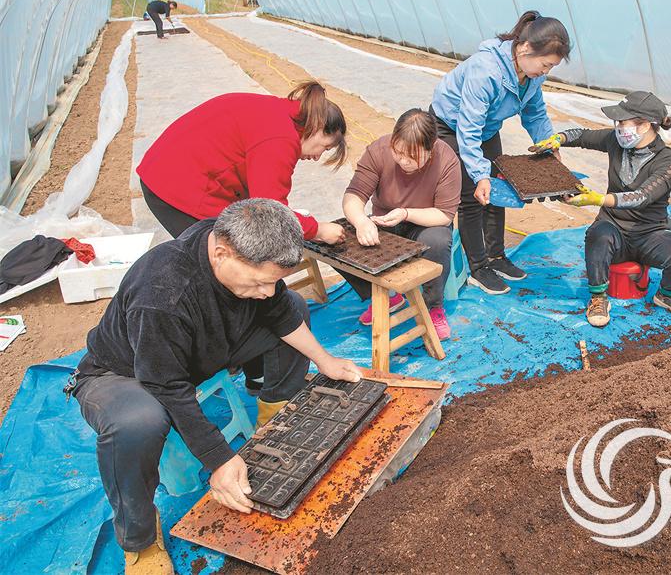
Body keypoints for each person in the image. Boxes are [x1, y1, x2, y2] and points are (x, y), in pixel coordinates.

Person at [66, 199, 363, 574]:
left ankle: (275, 421)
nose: (266, 291)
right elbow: (165, 385)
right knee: (137, 423)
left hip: (200, 349)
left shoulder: (234, 240)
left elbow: (280, 311)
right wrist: (219, 459)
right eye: (259, 282)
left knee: (294, 306)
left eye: (272, 280)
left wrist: (324, 360)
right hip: (126, 372)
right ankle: (139, 541)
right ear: (221, 254)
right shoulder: (161, 294)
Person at [430, 10, 572, 295]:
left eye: (551, 67)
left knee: (499, 188)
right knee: (473, 195)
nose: (545, 72)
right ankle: (478, 267)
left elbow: (535, 113)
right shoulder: (486, 70)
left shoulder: (531, 76)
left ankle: (496, 257)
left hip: (487, 127)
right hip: (451, 125)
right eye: (545, 64)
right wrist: (479, 174)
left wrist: (550, 147)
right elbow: (468, 128)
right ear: (525, 48)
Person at [533, 91, 671, 328]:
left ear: (645, 125)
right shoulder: (615, 141)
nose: (618, 127)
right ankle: (598, 298)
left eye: (623, 122)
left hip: (650, 234)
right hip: (614, 228)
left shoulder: (669, 161)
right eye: (617, 122)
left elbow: (642, 196)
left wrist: (598, 199)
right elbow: (582, 135)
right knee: (598, 234)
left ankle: (667, 294)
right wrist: (559, 138)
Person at [137, 81, 349, 244]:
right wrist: (317, 230)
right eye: (325, 147)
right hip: (177, 189)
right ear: (317, 126)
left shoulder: (277, 114)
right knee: (226, 261)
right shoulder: (280, 138)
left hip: (170, 173)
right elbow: (269, 210)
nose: (317, 156)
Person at [342, 109, 461, 338]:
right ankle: (388, 297)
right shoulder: (378, 150)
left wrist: (406, 213)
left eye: (413, 157)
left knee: (438, 241)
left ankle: (433, 306)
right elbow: (353, 195)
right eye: (398, 153)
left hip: (426, 223)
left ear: (431, 149)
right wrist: (361, 221)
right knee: (338, 238)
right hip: (385, 221)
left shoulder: (446, 160)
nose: (404, 161)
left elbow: (444, 215)